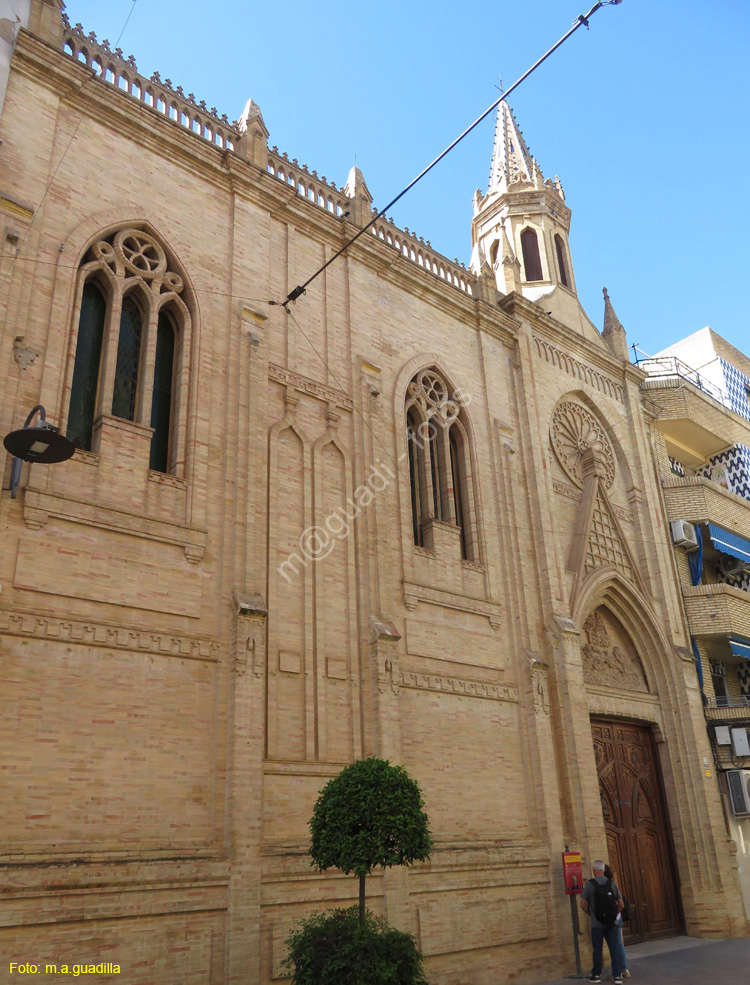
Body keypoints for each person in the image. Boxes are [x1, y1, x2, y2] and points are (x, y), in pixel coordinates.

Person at [580, 859, 624, 984]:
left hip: (596, 924)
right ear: (603, 870)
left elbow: (582, 904)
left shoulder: (590, 884)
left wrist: (591, 914)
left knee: (597, 949)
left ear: (594, 870)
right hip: (611, 923)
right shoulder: (611, 883)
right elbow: (621, 904)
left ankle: (596, 975)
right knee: (614, 948)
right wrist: (614, 915)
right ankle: (617, 976)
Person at [604, 864, 630, 979]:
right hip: (617, 918)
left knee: (613, 945)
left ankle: (618, 971)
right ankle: (624, 969)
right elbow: (620, 904)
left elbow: (621, 904)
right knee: (618, 943)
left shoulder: (605, 886)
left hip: (610, 919)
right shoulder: (613, 884)